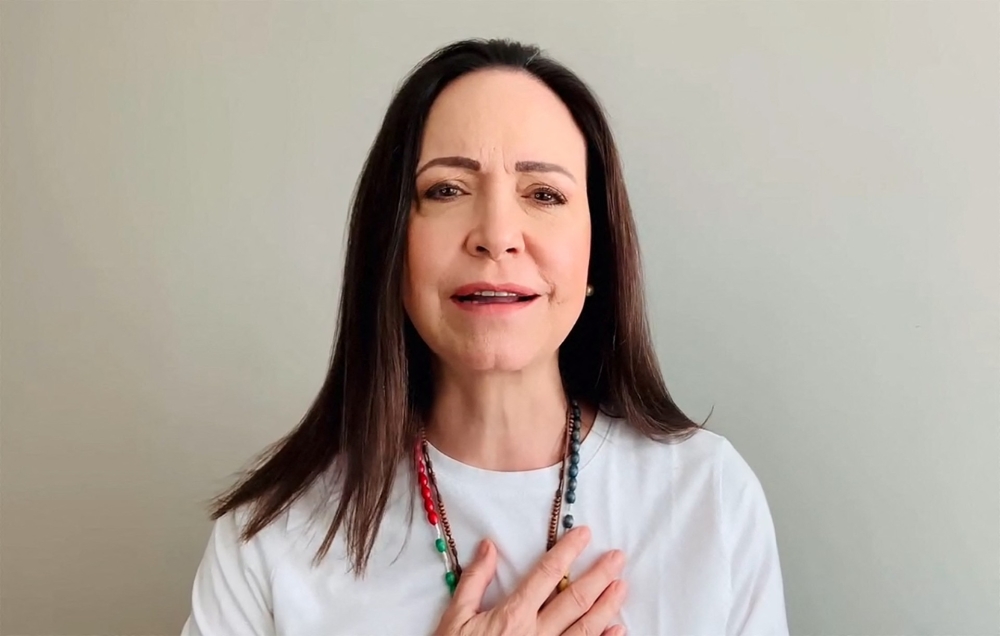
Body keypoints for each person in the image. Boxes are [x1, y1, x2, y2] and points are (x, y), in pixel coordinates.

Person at [180, 38, 788, 636]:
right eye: (446, 190)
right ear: (390, 245)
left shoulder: (710, 498)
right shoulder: (273, 535)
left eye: (544, 194)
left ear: (597, 256)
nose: (497, 235)